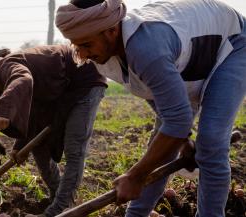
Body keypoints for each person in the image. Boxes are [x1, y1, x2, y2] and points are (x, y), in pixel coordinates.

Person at [55, 0, 246, 216]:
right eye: (76, 45)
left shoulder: (146, 48)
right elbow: (156, 99)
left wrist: (135, 176)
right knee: (162, 144)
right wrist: (179, 140)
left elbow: (179, 120)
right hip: (190, 61)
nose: (82, 53)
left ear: (111, 31)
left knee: (211, 141)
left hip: (232, 44)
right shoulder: (103, 55)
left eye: (87, 45)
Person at [0, 41, 107, 217]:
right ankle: (57, 196)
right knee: (38, 147)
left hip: (84, 78)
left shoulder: (6, 66)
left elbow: (23, 79)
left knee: (74, 147)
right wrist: (20, 147)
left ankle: (61, 208)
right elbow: (32, 110)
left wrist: (2, 111)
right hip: (58, 92)